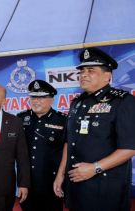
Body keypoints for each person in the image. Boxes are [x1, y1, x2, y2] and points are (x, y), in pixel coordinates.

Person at [53, 47, 135, 211]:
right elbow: (69, 142)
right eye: (82, 70)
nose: (83, 74)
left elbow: (129, 147)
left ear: (107, 75)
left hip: (105, 188)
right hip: (76, 186)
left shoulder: (122, 101)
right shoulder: (77, 103)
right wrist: (61, 174)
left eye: (91, 70)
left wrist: (95, 168)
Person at [17, 80, 66, 211]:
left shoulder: (63, 120)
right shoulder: (20, 118)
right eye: (33, 97)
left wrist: (61, 177)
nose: (36, 101)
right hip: (27, 183)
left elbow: (68, 152)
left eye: (41, 97)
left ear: (51, 100)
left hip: (52, 183)